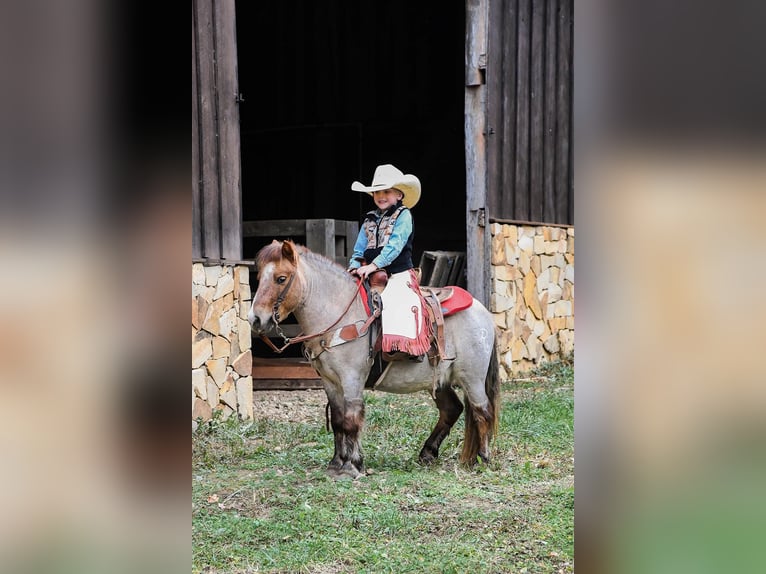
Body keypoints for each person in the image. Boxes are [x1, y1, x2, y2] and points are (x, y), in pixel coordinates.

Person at [347, 164, 431, 359]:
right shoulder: (369, 219)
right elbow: (359, 248)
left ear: (399, 195)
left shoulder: (404, 215)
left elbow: (395, 246)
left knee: (397, 299)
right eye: (377, 192)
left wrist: (374, 265)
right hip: (369, 271)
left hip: (398, 272)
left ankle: (407, 348)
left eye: (386, 191)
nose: (381, 195)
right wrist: (354, 265)